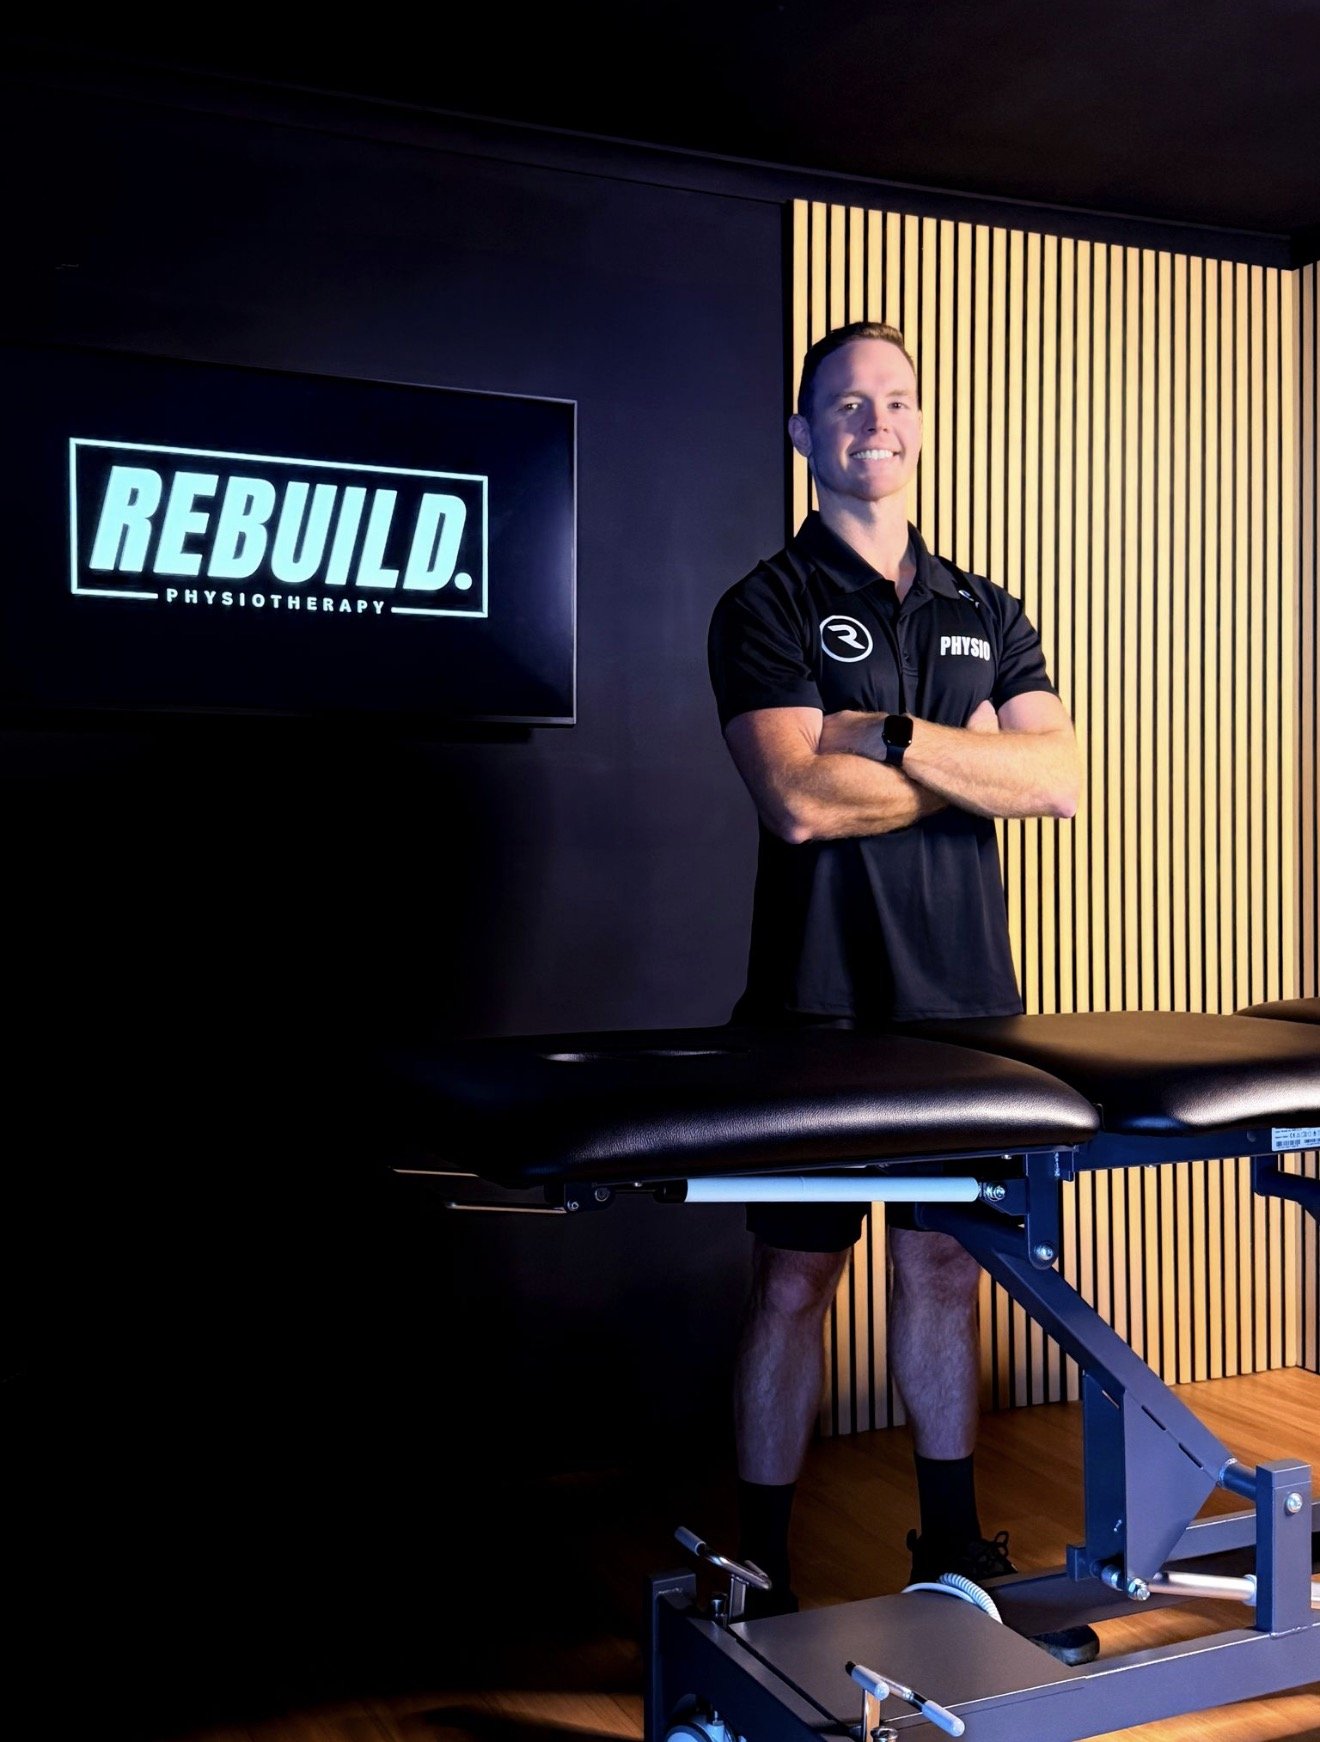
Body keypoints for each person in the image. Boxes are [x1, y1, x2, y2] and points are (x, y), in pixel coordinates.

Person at [706, 319, 1094, 1664]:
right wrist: (962, 758)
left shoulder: (988, 610)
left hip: (965, 1013)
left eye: (898, 400)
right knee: (795, 1287)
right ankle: (756, 1557)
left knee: (942, 1271)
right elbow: (799, 800)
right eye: (846, 404)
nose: (877, 420)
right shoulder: (760, 603)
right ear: (804, 436)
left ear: (920, 426)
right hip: (816, 1008)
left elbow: (1054, 782)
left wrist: (892, 731)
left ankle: (949, 1544)